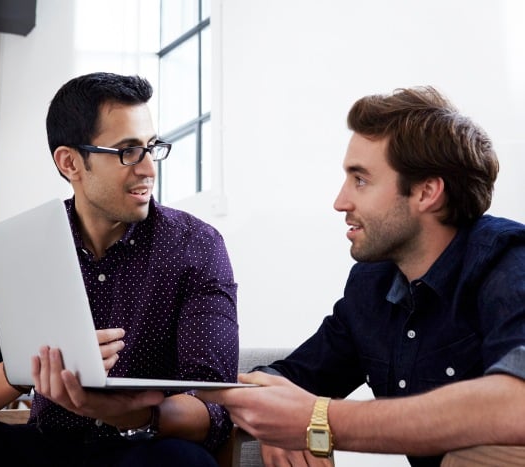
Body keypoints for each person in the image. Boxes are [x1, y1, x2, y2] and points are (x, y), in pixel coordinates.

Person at [198, 86, 525, 467]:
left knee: (485, 452)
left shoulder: (508, 262)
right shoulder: (372, 285)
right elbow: (297, 375)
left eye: (361, 180)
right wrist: (277, 417)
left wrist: (321, 420)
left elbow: (516, 405)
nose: (341, 202)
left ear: (426, 192)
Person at [0, 72, 239, 466]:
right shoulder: (26, 250)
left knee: (181, 462)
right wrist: (29, 367)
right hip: (47, 446)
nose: (148, 170)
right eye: (127, 151)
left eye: (150, 148)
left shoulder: (195, 245)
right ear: (70, 162)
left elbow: (217, 407)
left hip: (143, 447)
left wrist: (128, 412)